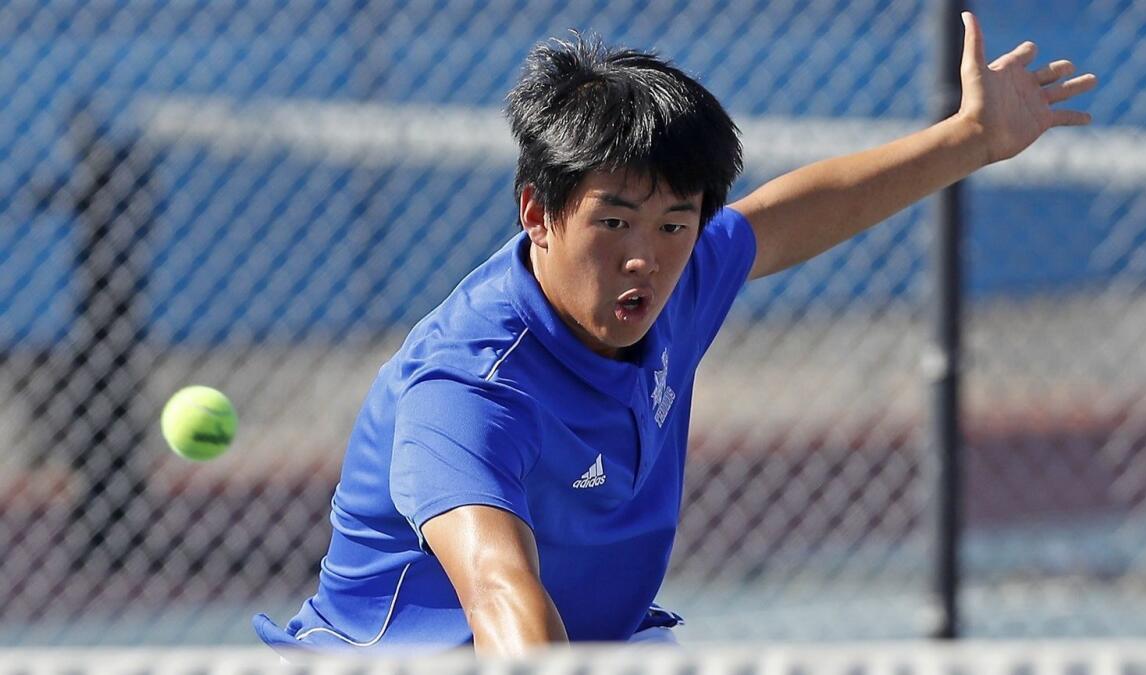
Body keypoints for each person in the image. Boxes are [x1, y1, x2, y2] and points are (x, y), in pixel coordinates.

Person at [254, 13, 1095, 656]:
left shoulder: (677, 281)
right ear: (537, 213)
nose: (643, 258)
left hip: (599, 646)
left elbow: (792, 213)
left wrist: (970, 138)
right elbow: (500, 591)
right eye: (613, 221)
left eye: (672, 224)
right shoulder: (467, 393)